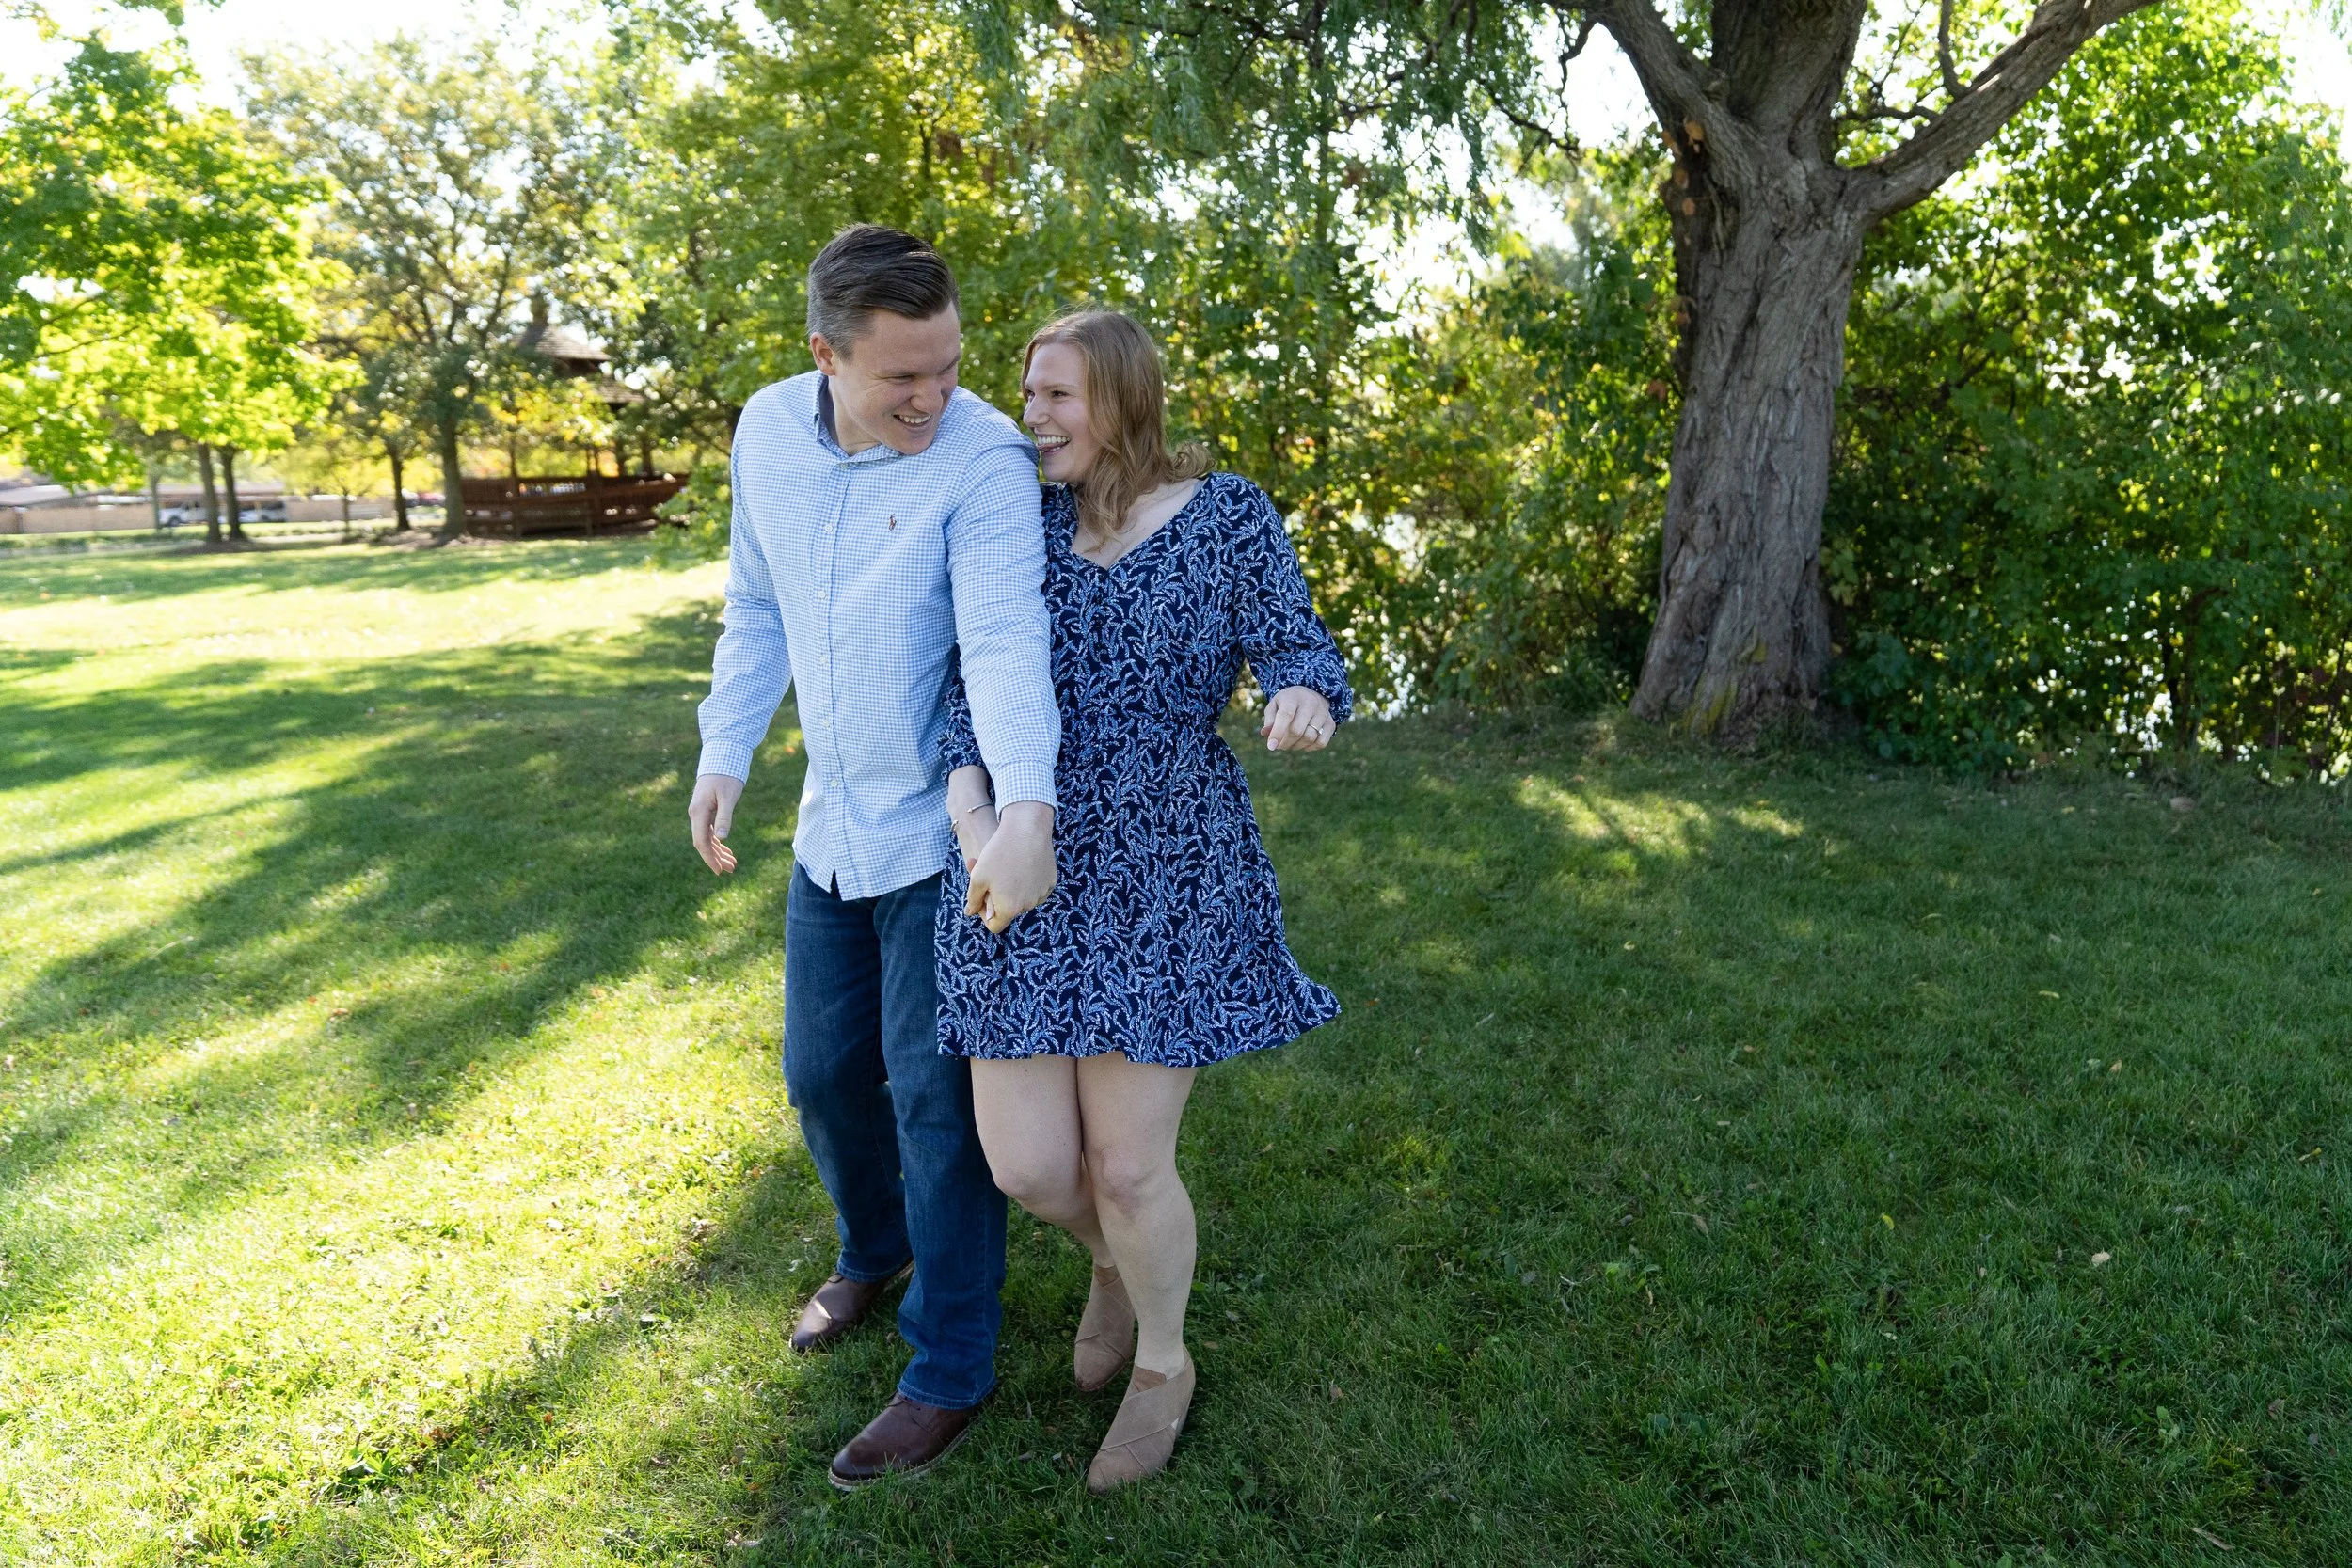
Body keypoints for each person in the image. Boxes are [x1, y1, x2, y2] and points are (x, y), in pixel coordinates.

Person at [937, 309, 1350, 1493]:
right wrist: (979, 829)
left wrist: (1304, 698)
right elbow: (964, 691)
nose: (1033, 416)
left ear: (1122, 397)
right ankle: (1112, 1267)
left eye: (1058, 395)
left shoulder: (1226, 514)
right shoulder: (1010, 518)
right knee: (1030, 1167)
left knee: (1125, 1166)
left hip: (1171, 862)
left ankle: (1163, 1362)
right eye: (1026, 394)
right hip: (1022, 852)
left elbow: (1296, 646)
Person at [687, 224, 1061, 1489]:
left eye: (949, 364)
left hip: (941, 834)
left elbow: (1008, 637)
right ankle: (874, 1243)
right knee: (820, 1072)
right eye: (903, 373)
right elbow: (757, 599)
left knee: (935, 1103)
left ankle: (950, 1361)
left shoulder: (986, 460)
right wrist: (725, 749)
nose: (934, 395)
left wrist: (1029, 808)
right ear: (824, 355)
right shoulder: (762, 433)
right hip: (828, 828)